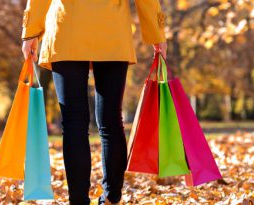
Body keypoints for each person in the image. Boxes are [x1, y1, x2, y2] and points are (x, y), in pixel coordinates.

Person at [21, 0, 167, 204]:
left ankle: (78, 200)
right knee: (111, 120)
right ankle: (112, 197)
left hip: (67, 28)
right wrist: (157, 34)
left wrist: (30, 32)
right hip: (112, 30)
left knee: (74, 123)